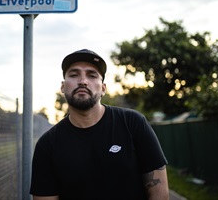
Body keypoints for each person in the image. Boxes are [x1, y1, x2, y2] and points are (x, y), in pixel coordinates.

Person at [30, 49, 169, 200]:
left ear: (103, 88)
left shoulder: (133, 123)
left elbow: (159, 194)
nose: (83, 81)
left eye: (91, 75)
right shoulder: (47, 145)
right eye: (74, 74)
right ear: (63, 87)